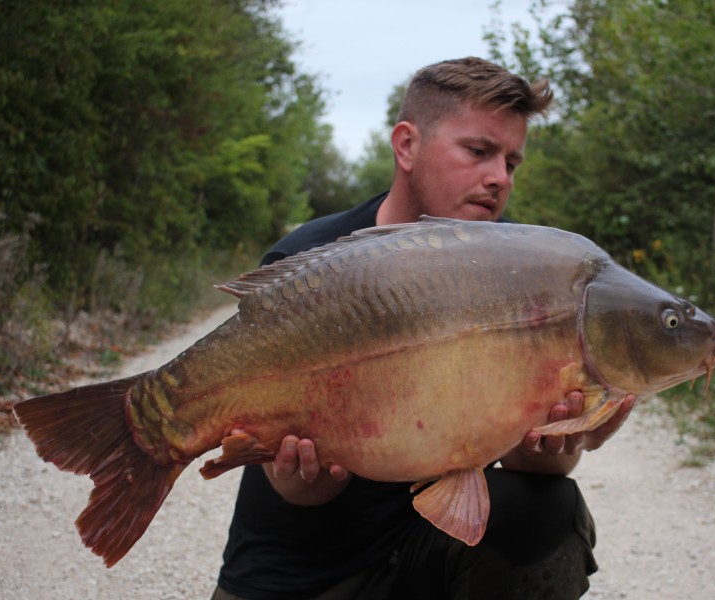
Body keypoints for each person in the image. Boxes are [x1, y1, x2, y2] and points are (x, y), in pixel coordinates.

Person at [212, 57, 634, 600]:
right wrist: (301, 475)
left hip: (428, 559)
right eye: (479, 151)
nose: (499, 178)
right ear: (407, 146)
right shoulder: (310, 259)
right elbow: (293, 491)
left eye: (512, 162)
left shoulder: (527, 268)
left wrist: (558, 438)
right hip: (300, 573)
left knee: (547, 510)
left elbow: (528, 459)